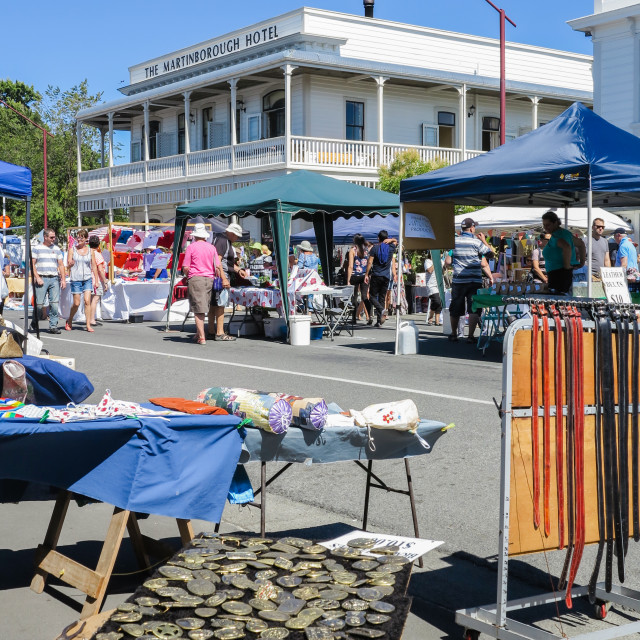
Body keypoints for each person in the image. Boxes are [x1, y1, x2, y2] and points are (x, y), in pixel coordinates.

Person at [445, 218, 494, 343]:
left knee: (456, 307)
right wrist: (484, 240)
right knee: (474, 308)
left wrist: (458, 263)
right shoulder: (477, 242)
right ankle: (470, 336)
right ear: (472, 228)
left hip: (459, 281)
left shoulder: (453, 242)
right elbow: (490, 255)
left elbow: (448, 262)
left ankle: (454, 334)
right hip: (474, 281)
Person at [183, 222, 222, 345]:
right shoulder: (212, 247)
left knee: (198, 309)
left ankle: (201, 336)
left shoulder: (191, 247)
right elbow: (218, 266)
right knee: (205, 306)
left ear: (194, 236)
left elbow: (186, 267)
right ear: (205, 236)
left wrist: (186, 276)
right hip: (209, 279)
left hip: (196, 278)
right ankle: (199, 333)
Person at [208, 222, 245, 341]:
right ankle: (219, 332)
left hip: (216, 276)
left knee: (214, 304)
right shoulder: (223, 240)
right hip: (220, 277)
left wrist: (238, 269)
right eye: (237, 236)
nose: (237, 238)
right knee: (220, 304)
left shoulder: (219, 238)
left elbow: (223, 262)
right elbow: (218, 261)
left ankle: (211, 330)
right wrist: (224, 278)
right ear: (231, 233)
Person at [31, 228, 66, 334]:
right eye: (51, 237)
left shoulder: (56, 248)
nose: (53, 239)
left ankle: (53, 325)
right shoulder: (37, 248)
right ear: (45, 237)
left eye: (54, 237)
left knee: (54, 304)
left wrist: (63, 279)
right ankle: (34, 322)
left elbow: (60, 265)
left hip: (54, 278)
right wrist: (37, 277)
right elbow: (32, 264)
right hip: (42, 277)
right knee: (39, 305)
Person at [364, 230, 395, 327]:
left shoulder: (374, 248)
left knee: (372, 296)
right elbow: (395, 241)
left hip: (376, 275)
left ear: (378, 238)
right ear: (386, 238)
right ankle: (379, 321)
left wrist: (366, 274)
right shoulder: (390, 248)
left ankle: (381, 310)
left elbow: (370, 262)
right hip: (386, 276)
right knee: (382, 298)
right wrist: (391, 240)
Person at [541, 210, 576, 295]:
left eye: (548, 225)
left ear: (555, 223)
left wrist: (567, 266)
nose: (546, 227)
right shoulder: (561, 234)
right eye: (544, 225)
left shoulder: (558, 235)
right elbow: (580, 245)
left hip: (559, 276)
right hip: (558, 275)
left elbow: (567, 247)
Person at [66, 229, 94, 332]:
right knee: (76, 303)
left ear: (86, 239)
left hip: (87, 278)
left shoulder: (91, 251)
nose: (79, 239)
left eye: (81, 237)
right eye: (78, 237)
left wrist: (96, 280)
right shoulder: (72, 250)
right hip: (76, 279)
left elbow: (94, 265)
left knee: (87, 301)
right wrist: (70, 265)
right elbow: (68, 266)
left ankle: (88, 325)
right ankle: (69, 320)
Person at [346, 233, 372, 325]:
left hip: (355, 276)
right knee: (365, 296)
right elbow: (369, 263)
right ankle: (370, 316)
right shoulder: (367, 250)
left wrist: (348, 280)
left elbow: (350, 266)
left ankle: (354, 318)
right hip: (364, 275)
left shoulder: (353, 250)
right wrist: (367, 274)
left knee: (354, 297)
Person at [88, 236, 109, 330]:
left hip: (88, 278)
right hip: (95, 279)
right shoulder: (97, 254)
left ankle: (89, 318)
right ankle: (91, 319)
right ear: (98, 244)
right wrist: (105, 281)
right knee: (95, 299)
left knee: (90, 300)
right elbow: (100, 269)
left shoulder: (87, 252)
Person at [424, 253, 443, 326]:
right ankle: (430, 316)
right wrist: (436, 261)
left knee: (440, 302)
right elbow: (429, 270)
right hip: (431, 285)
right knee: (436, 301)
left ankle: (437, 321)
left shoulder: (441, 261)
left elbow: (444, 271)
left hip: (440, 284)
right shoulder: (427, 261)